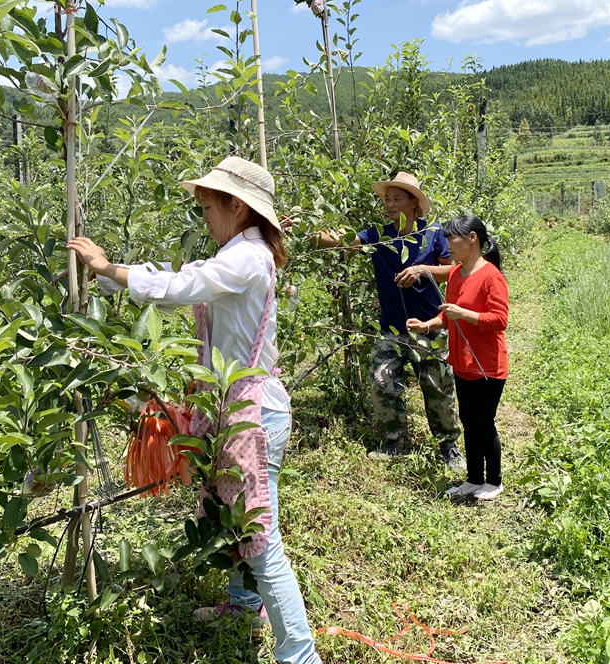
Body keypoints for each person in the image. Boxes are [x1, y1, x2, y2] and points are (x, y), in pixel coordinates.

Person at [69, 157, 321, 664]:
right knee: (233, 513)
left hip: (253, 413)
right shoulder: (237, 254)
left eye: (208, 206)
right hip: (235, 406)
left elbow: (183, 286)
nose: (202, 216)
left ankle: (300, 654)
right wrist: (114, 276)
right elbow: (182, 279)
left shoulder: (247, 257)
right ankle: (245, 604)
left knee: (259, 536)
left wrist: (105, 267)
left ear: (237, 205)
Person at [314, 172, 463, 470]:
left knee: (437, 386)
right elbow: (346, 243)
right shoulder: (379, 235)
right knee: (382, 380)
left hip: (428, 325)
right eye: (387, 199)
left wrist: (422, 269)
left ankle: (448, 447)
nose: (390, 205)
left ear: (413, 203)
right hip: (392, 327)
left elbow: (454, 271)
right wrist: (309, 233)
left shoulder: (433, 234)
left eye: (397, 199)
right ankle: (394, 443)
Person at [406, 214, 509, 502]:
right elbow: (447, 314)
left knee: (483, 422)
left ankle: (494, 481)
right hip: (462, 361)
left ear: (472, 239)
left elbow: (499, 320)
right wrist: (427, 325)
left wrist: (463, 314)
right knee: (467, 419)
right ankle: (474, 479)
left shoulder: (491, 276)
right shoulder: (454, 273)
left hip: (487, 364)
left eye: (453, 238)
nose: (448, 243)